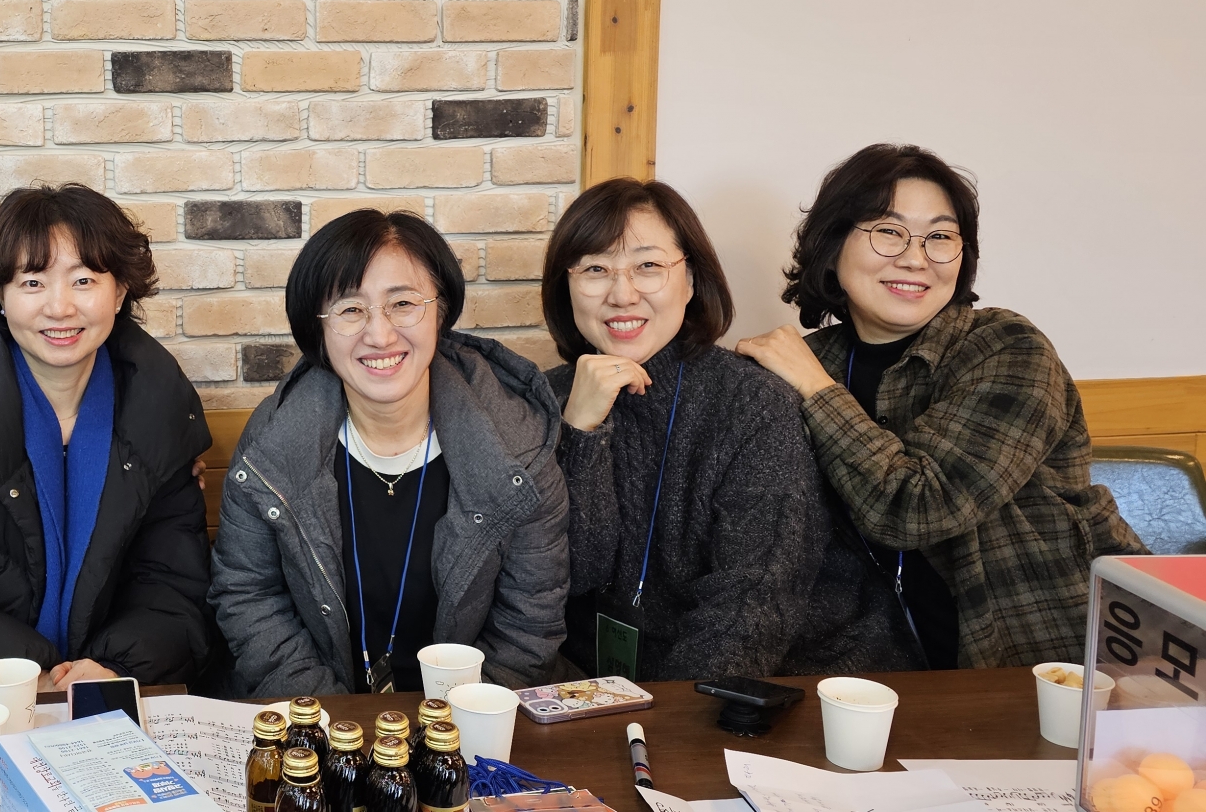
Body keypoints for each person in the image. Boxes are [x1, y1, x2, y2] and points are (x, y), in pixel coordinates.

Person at [738, 143, 1148, 669]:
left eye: (940, 236)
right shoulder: (805, 362)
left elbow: (919, 508)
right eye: (889, 231)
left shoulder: (1006, 345)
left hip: (1067, 662)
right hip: (879, 669)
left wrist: (816, 389)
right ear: (833, 245)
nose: (916, 258)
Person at [541, 179, 915, 682]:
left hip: (798, 679)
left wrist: (670, 716)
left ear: (691, 281)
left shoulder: (753, 403)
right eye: (595, 269)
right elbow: (569, 576)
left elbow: (751, 607)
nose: (622, 294)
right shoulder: (543, 399)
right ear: (566, 286)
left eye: (649, 266)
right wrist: (580, 432)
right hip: (611, 690)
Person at [0, 183, 214, 697]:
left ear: (120, 293)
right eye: (32, 282)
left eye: (83, 280)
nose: (59, 307)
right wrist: (31, 678)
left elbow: (173, 584)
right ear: (1, 297)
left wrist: (114, 669)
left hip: (110, 687)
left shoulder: (160, 410)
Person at [210, 209, 569, 697]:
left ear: (440, 311)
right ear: (318, 330)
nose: (379, 335)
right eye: (350, 310)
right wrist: (332, 721)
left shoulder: (517, 447)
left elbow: (529, 624)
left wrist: (449, 726)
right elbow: (248, 597)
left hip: (465, 720)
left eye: (403, 304)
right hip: (321, 720)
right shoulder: (271, 446)